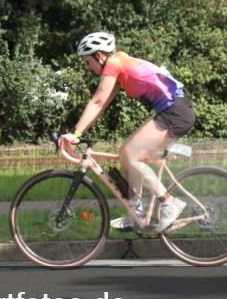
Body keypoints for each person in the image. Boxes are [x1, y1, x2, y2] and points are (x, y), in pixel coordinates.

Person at [61, 32, 195, 232]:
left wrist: (76, 134)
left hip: (175, 112)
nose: (88, 68)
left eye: (88, 62)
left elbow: (97, 101)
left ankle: (169, 203)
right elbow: (101, 105)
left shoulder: (114, 64)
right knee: (127, 153)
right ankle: (135, 213)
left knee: (131, 154)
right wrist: (78, 133)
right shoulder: (119, 64)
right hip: (172, 110)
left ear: (99, 55)